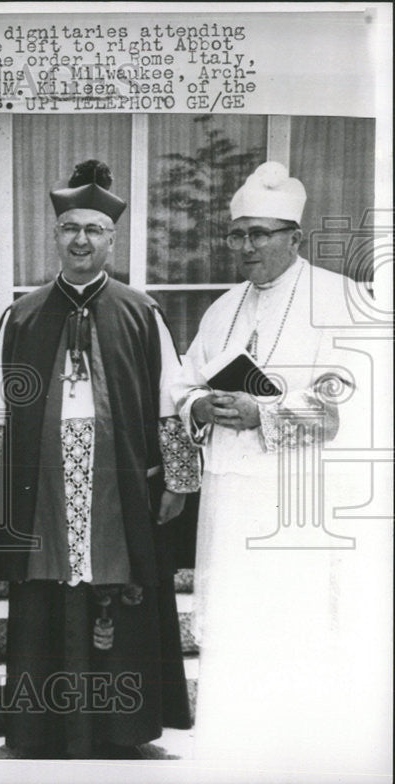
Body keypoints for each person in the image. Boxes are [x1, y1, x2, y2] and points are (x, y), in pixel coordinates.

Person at [0, 160, 200, 759]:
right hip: (43, 486)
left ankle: (122, 730)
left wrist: (178, 481)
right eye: (70, 229)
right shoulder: (21, 315)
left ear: (111, 239)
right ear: (55, 235)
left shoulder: (141, 312)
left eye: (94, 231)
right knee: (47, 593)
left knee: (120, 591)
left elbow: (173, 404)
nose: (81, 240)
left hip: (121, 482)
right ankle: (40, 729)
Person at [172, 162, 377, 767]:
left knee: (297, 632)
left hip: (300, 508)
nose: (246, 247)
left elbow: (351, 415)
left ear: (296, 236)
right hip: (232, 500)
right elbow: (181, 385)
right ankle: (232, 755)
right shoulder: (222, 309)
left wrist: (263, 414)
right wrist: (202, 403)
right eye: (237, 235)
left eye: (260, 234)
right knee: (236, 637)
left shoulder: (341, 301)